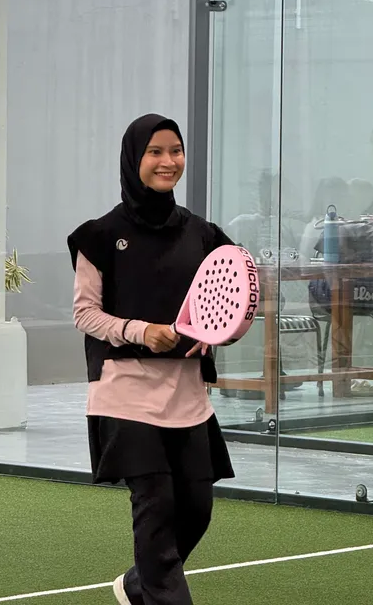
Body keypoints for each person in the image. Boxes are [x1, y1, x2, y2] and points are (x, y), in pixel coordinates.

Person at [67, 114, 236, 605]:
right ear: (133, 159)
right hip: (125, 392)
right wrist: (142, 332)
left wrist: (215, 334)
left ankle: (137, 585)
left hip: (188, 396)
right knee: (157, 509)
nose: (168, 161)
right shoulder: (100, 236)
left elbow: (228, 300)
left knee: (196, 509)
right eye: (155, 152)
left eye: (175, 151)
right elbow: (85, 314)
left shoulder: (204, 236)